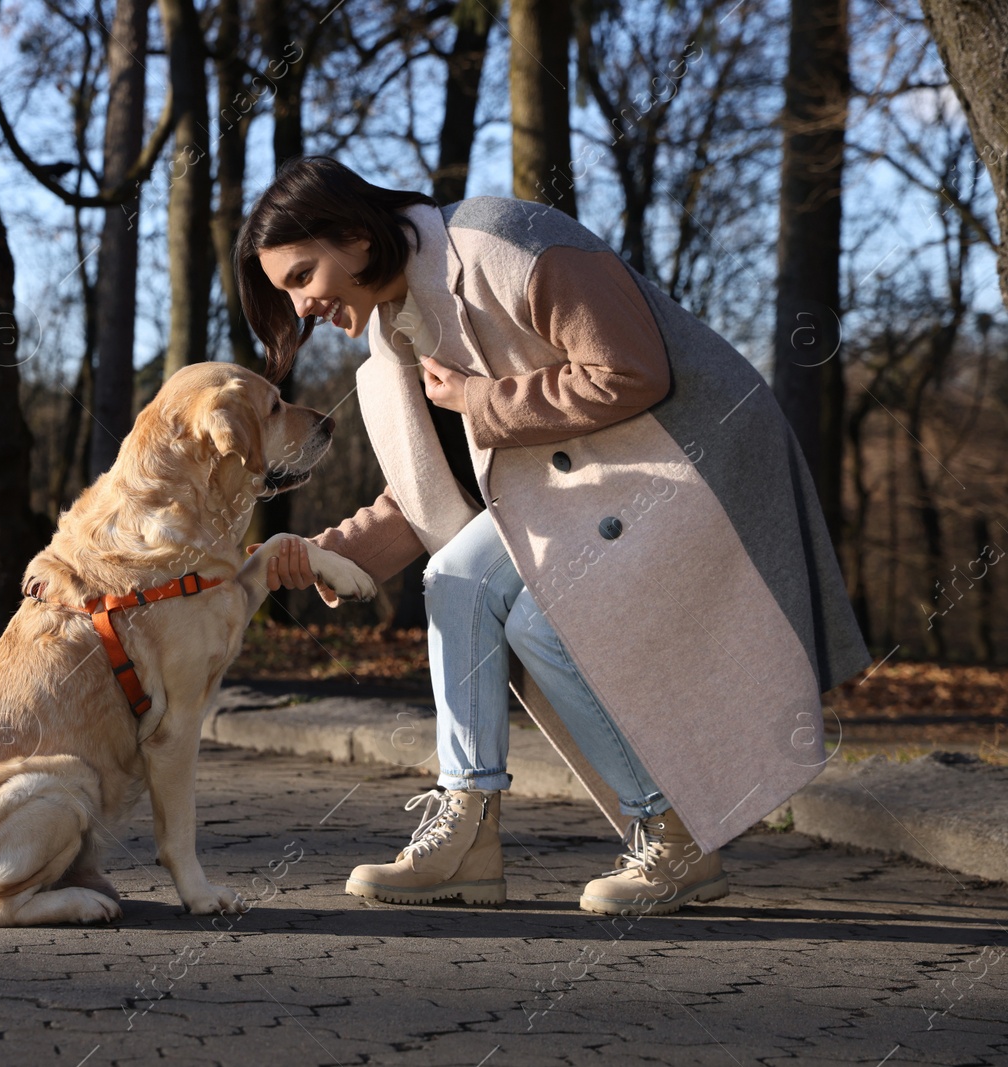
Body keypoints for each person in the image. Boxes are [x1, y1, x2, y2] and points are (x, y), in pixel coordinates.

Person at [235, 157, 870, 916]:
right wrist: (315, 558)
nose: (302, 305)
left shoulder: (506, 242)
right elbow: (420, 500)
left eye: (303, 275)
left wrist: (480, 398)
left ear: (354, 236)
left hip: (690, 462)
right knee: (456, 579)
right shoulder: (389, 347)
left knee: (546, 615)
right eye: (286, 292)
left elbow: (629, 371)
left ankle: (673, 837)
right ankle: (468, 832)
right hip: (585, 493)